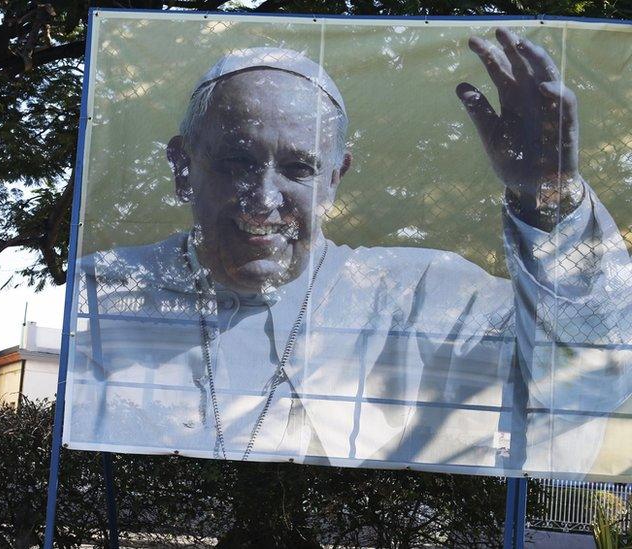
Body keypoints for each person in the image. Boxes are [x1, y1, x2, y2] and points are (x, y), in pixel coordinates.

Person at [65, 28, 631, 478]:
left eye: (299, 169)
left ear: (336, 178)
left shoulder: (427, 294)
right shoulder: (107, 292)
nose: (263, 202)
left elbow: (590, 376)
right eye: (237, 162)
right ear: (183, 166)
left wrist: (548, 199)